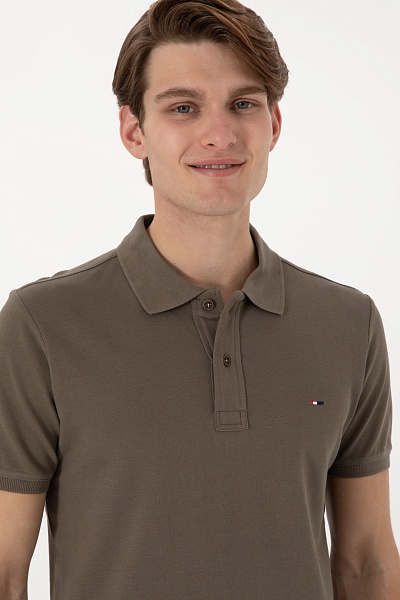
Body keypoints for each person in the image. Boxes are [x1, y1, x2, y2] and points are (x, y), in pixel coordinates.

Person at [0, 0, 399, 598]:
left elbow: (367, 562)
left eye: (243, 104)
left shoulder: (348, 324)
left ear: (274, 124)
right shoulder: (42, 325)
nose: (220, 134)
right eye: (183, 107)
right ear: (134, 131)